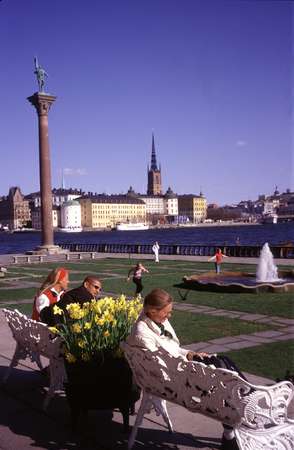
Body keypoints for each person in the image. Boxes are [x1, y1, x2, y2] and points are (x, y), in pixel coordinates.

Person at [127, 288, 245, 450]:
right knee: (223, 381)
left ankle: (243, 402)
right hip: (171, 379)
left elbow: (172, 349)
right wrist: (192, 365)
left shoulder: (157, 321)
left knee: (222, 361)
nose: (169, 316)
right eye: (166, 312)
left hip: (178, 368)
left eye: (170, 312)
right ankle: (236, 421)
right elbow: (162, 364)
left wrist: (191, 354)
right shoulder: (142, 332)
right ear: (152, 310)